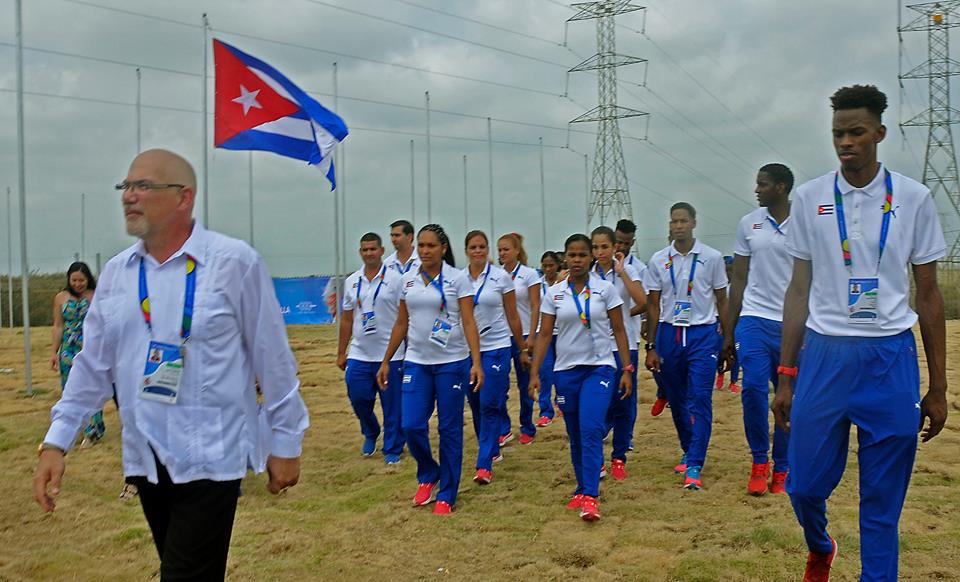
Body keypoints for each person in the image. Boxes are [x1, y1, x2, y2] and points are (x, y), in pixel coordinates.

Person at [33, 149, 309, 580]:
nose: (129, 196)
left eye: (143, 186)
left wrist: (286, 442)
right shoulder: (118, 274)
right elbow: (92, 367)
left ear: (184, 197)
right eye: (126, 186)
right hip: (146, 458)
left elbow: (272, 360)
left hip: (212, 455)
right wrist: (56, 441)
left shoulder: (234, 263)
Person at [773, 85, 948, 581]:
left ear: (879, 133)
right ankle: (820, 544)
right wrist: (786, 375)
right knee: (803, 486)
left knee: (881, 504)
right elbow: (798, 291)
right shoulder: (810, 198)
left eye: (855, 132)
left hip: (890, 357)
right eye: (837, 134)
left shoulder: (913, 198)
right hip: (825, 356)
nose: (845, 142)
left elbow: (929, 295)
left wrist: (938, 387)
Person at [378, 224, 483, 515]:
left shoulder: (458, 280)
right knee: (410, 425)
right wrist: (387, 360)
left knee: (449, 429)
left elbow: (469, 322)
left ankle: (447, 493)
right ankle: (428, 472)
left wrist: (476, 362)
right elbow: (401, 323)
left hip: (451, 363)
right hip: (416, 362)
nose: (425, 251)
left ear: (443, 248)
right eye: (421, 246)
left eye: (431, 246)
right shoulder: (407, 281)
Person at [529, 234, 633, 521]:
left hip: (599, 368)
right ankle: (580, 487)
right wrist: (535, 372)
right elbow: (544, 334)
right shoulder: (555, 293)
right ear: (566, 258)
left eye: (582, 255)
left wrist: (626, 369)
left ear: (591, 257)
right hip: (566, 372)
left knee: (590, 428)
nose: (576, 260)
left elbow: (620, 330)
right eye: (571, 255)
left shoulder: (605, 289)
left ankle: (591, 496)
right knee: (575, 432)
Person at [644, 202, 729, 490]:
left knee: (699, 397)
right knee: (677, 397)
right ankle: (688, 446)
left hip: (702, 334)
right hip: (669, 334)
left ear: (694, 223)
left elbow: (722, 298)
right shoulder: (658, 259)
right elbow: (653, 304)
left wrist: (727, 338)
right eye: (673, 221)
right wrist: (652, 344)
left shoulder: (712, 257)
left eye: (683, 221)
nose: (678, 226)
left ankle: (695, 463)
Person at [722, 163, 795, 497]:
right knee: (752, 389)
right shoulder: (748, 224)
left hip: (793, 325)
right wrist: (728, 331)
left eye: (762, 184)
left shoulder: (805, 223)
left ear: (780, 187)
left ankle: (782, 466)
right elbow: (738, 280)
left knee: (789, 397)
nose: (756, 189)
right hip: (753, 319)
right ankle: (758, 461)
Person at [462, 230, 528, 484]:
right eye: (473, 247)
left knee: (490, 402)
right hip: (469, 350)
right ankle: (489, 447)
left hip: (497, 347)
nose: (478, 251)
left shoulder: (501, 277)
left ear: (487, 250)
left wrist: (521, 347)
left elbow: (513, 315)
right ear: (466, 250)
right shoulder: (459, 280)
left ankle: (483, 464)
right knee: (476, 402)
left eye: (482, 247)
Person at [337, 232, 406, 464]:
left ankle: (393, 448)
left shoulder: (397, 280)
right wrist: (341, 352)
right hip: (359, 353)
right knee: (358, 397)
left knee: (392, 405)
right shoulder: (352, 281)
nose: (369, 254)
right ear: (360, 252)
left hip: (392, 354)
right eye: (365, 250)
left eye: (373, 249)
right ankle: (370, 431)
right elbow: (346, 319)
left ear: (382, 250)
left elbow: (405, 317)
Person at [591, 226, 646, 481]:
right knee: (600, 404)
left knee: (623, 403)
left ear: (615, 247)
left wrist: (622, 274)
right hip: (596, 348)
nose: (600, 252)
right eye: (596, 247)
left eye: (605, 247)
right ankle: (596, 459)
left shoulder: (628, 270)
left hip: (625, 346)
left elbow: (642, 301)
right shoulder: (587, 275)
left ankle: (619, 457)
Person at [50, 262, 103, 447]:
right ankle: (71, 428)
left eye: (81, 280)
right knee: (69, 388)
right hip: (68, 349)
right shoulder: (60, 298)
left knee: (91, 388)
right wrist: (54, 351)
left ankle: (93, 431)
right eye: (74, 280)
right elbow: (58, 325)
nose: (78, 284)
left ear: (88, 279)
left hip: (90, 347)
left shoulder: (95, 296)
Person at [496, 233, 541, 446]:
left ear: (516, 251)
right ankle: (504, 428)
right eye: (500, 250)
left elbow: (535, 306)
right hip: (502, 336)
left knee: (525, 384)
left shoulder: (529, 274)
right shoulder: (495, 275)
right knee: (500, 384)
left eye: (506, 249)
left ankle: (527, 426)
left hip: (523, 335)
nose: (502, 253)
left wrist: (531, 336)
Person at [535, 250, 562, 427]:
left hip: (562, 333)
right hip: (543, 333)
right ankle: (545, 411)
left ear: (558, 266)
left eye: (551, 265)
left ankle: (562, 401)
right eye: (544, 266)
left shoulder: (564, 283)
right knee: (545, 373)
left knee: (561, 371)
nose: (548, 269)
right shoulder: (538, 285)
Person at [715, 256, 742, 394]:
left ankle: (733, 381)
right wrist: (720, 323)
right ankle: (720, 374)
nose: (729, 273)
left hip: (737, 323)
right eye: (726, 270)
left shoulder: (739, 286)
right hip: (719, 323)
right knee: (720, 351)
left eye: (731, 270)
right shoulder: (719, 285)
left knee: (736, 354)